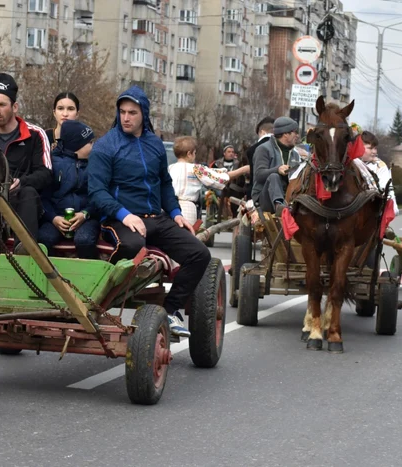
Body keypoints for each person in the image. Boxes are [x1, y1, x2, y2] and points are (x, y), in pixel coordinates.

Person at [88, 86, 211, 338]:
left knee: (199, 254)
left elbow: (164, 183)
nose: (126, 117)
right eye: (122, 112)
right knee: (133, 246)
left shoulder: (155, 144)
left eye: (132, 112)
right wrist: (125, 215)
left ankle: (170, 311)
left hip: (157, 218)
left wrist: (176, 212)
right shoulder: (106, 146)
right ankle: (97, 301)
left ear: (143, 113)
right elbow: (97, 192)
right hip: (120, 218)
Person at [0, 73, 52, 251]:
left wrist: (21, 182)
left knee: (28, 192)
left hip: (24, 203)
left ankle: (25, 249)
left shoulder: (35, 134)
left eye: (2, 105)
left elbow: (46, 173)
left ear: (15, 106)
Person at [39, 120, 100, 259]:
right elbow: (44, 197)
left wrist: (86, 214)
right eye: (89, 143)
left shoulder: (94, 165)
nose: (93, 146)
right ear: (76, 145)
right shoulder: (53, 164)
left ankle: (89, 275)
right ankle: (50, 274)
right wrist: (53, 218)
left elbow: (98, 196)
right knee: (43, 238)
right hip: (57, 217)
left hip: (85, 217)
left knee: (84, 240)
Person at [168, 136, 250, 224]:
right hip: (186, 208)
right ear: (189, 154)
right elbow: (221, 178)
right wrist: (244, 169)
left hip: (169, 208)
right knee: (185, 235)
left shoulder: (169, 168)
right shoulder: (195, 169)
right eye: (195, 153)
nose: (195, 156)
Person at [251, 116, 302, 215]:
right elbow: (259, 175)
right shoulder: (264, 149)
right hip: (263, 198)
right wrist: (277, 169)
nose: (297, 135)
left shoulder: (295, 154)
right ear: (286, 134)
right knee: (274, 176)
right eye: (295, 132)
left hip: (287, 198)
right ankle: (279, 206)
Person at [360, 131, 399, 216]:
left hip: (373, 213)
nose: (374, 152)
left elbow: (384, 192)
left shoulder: (380, 166)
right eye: (370, 148)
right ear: (359, 147)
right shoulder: (351, 163)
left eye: (375, 148)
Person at [245, 117, 274, 201]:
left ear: (261, 132)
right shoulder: (284, 147)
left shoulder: (253, 149)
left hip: (258, 196)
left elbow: (253, 176)